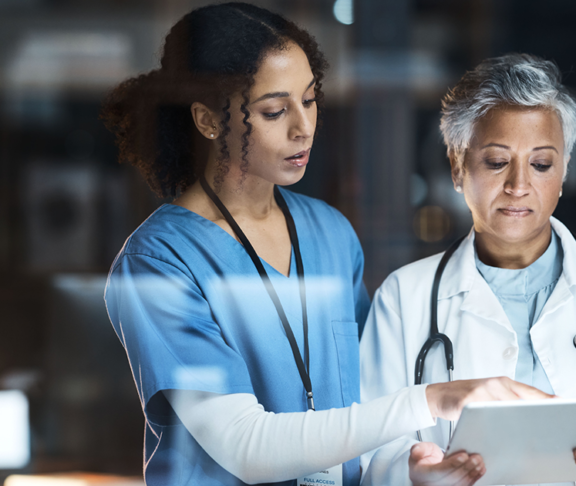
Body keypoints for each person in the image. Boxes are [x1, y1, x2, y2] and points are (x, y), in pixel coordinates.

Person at [101, 7, 552, 485]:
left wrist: (415, 470)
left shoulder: (330, 233)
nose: (303, 127)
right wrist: (432, 398)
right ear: (208, 121)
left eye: (310, 100)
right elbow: (243, 446)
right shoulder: (160, 261)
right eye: (274, 111)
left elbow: (363, 410)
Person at [360, 53, 576, 486]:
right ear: (458, 167)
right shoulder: (405, 297)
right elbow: (370, 451)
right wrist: (415, 473)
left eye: (541, 164)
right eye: (497, 162)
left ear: (564, 170)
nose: (518, 185)